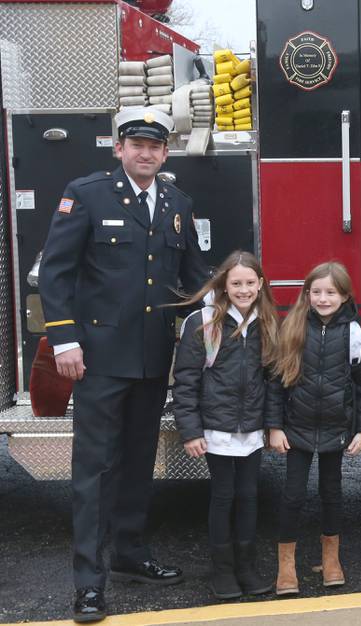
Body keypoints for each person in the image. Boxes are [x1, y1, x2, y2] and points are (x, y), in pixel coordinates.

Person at [38, 107, 208, 623]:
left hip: (154, 359)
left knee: (138, 463)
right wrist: (64, 340)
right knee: (94, 471)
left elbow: (192, 278)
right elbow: (56, 272)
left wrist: (230, 313)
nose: (147, 153)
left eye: (156, 146)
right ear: (119, 149)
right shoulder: (87, 193)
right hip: (98, 361)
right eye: (136, 144)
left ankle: (130, 555)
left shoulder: (178, 203)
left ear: (165, 152)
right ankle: (88, 584)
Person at [171, 251, 280, 600]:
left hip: (251, 429)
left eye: (250, 283)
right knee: (223, 496)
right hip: (216, 429)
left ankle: (246, 567)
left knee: (248, 497)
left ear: (260, 284)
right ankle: (222, 570)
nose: (244, 289)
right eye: (236, 283)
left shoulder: (268, 320)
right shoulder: (204, 322)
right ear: (224, 284)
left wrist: (273, 424)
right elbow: (185, 380)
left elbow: (274, 379)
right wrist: (190, 430)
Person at [266, 262, 361, 595]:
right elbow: (276, 383)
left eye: (331, 292)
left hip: (336, 429)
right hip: (296, 427)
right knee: (293, 496)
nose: (323, 298)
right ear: (307, 294)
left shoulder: (354, 332)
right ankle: (286, 566)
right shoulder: (293, 326)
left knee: (332, 494)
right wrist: (274, 427)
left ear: (344, 296)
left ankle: (331, 560)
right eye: (316, 292)